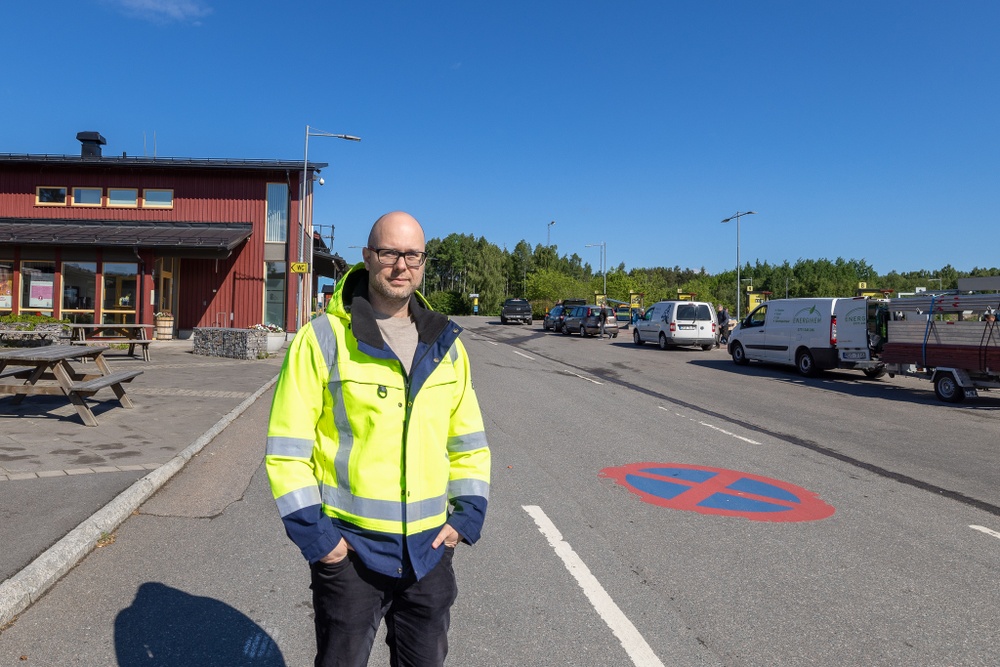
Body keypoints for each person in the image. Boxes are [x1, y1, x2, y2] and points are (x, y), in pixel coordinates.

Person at [266, 211, 491, 667]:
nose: (401, 265)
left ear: (423, 263)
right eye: (390, 252)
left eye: (412, 254)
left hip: (428, 555)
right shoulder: (324, 339)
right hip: (351, 555)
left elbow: (467, 442)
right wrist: (322, 542)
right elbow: (287, 451)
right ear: (368, 257)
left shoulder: (445, 345)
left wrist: (465, 519)